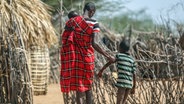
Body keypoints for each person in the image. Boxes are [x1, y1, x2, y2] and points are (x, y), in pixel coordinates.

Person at [60, 2, 115, 104]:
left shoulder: (72, 21)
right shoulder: (94, 23)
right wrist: (108, 56)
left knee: (79, 90)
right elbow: (94, 44)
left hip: (76, 59)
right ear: (91, 11)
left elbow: (65, 39)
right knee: (88, 88)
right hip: (87, 58)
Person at [98, 38, 136, 104]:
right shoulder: (132, 60)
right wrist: (134, 87)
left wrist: (101, 70)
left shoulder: (119, 55)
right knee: (123, 102)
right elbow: (134, 74)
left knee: (119, 102)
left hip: (122, 83)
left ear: (120, 48)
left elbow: (110, 62)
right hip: (129, 84)